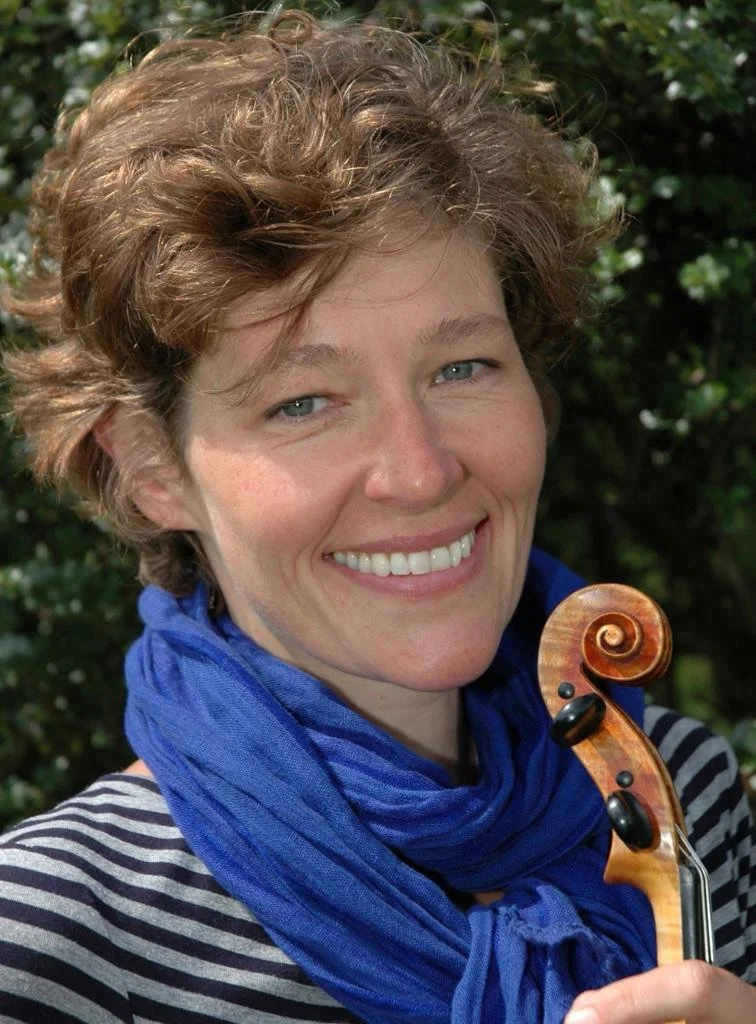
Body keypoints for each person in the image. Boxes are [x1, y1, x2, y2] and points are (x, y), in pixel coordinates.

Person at [0, 11, 753, 1024]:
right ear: (151, 469)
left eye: (463, 366)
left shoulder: (687, 797)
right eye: (302, 401)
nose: (420, 469)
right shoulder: (56, 932)